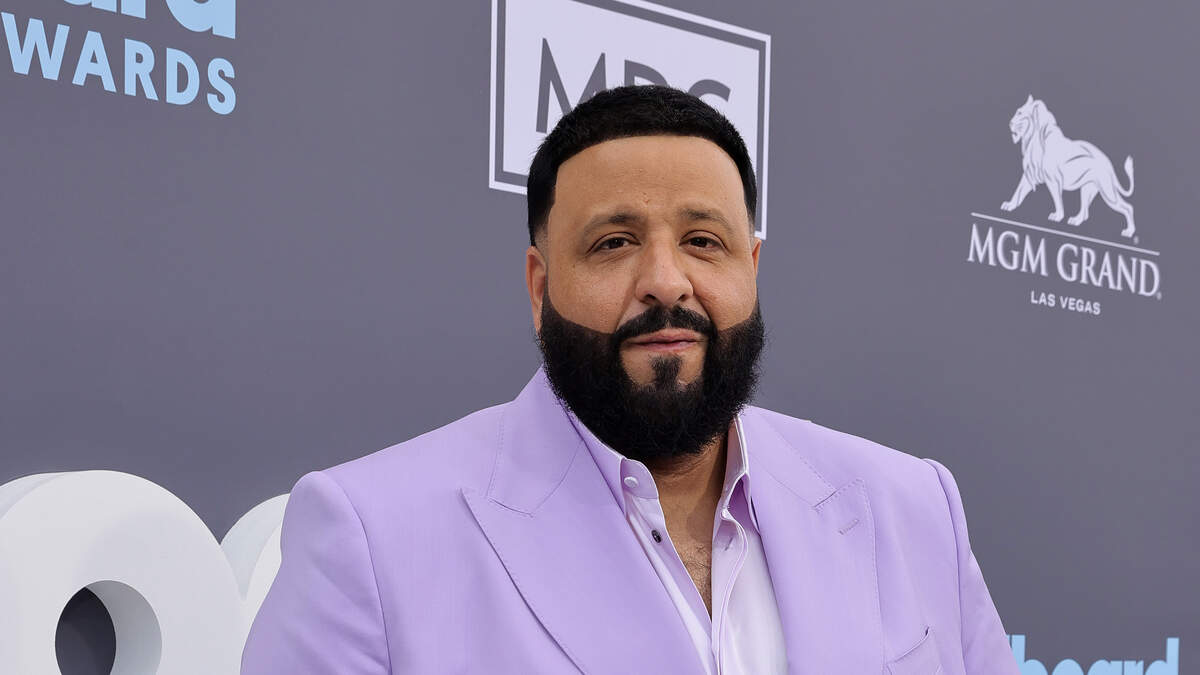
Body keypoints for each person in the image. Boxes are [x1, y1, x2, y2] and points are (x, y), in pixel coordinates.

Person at [241, 85, 1019, 674]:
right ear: (540, 287)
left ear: (751, 268)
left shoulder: (915, 508)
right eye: (614, 242)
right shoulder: (371, 537)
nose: (666, 281)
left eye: (703, 240)